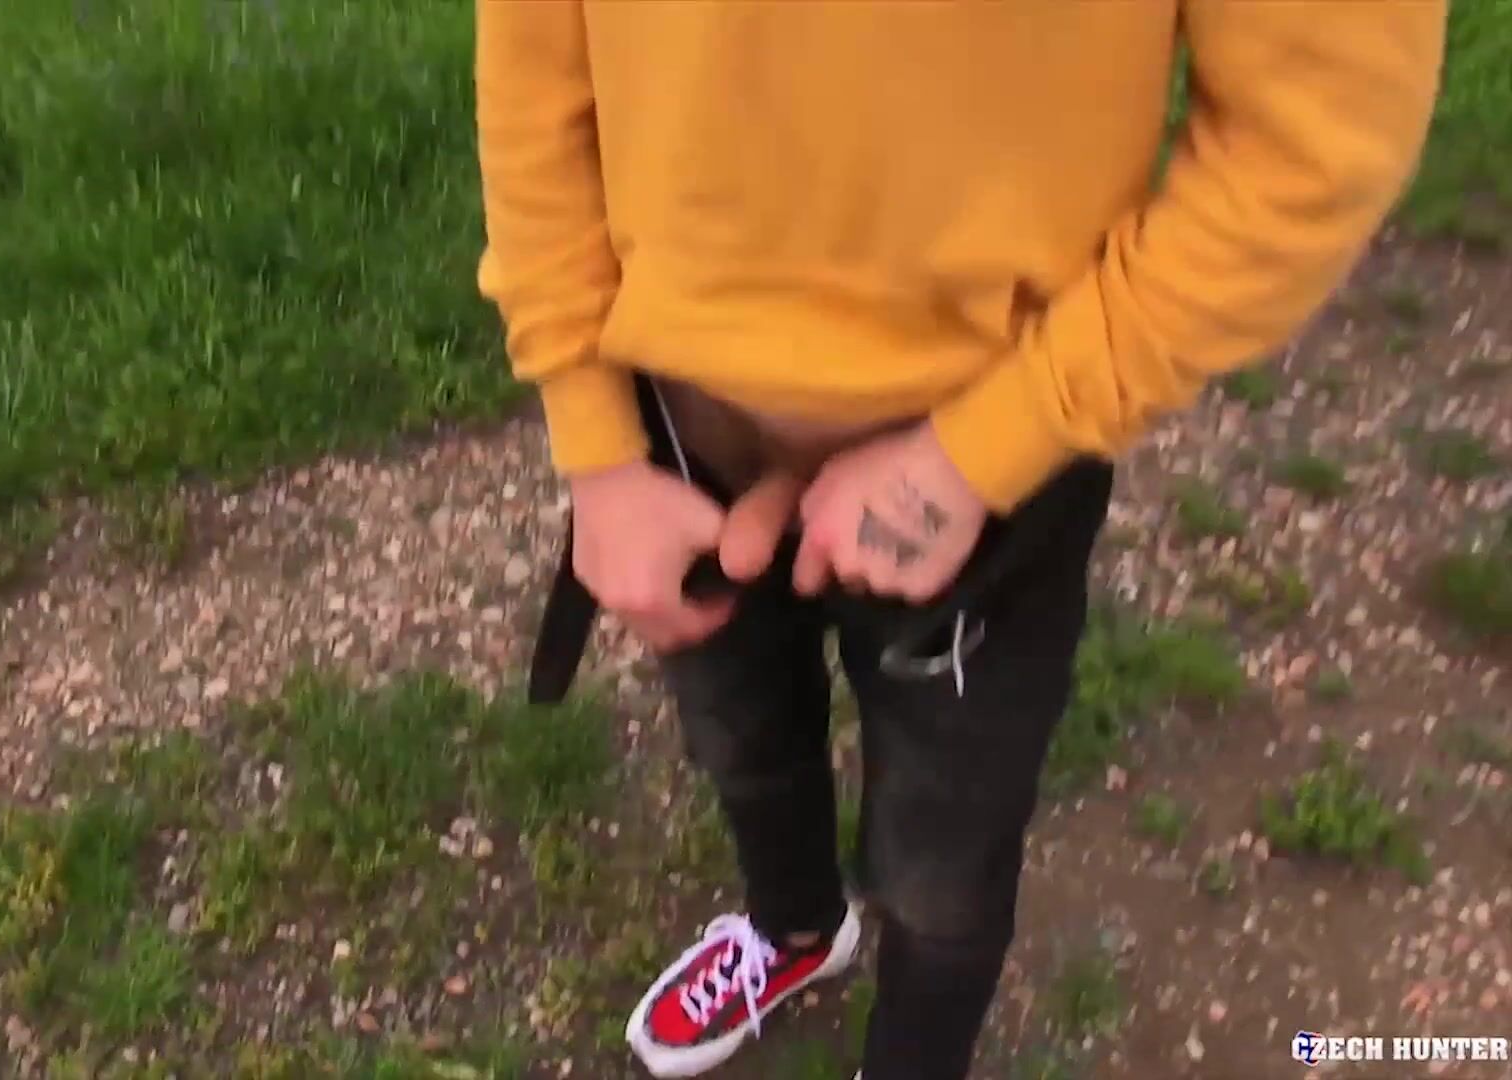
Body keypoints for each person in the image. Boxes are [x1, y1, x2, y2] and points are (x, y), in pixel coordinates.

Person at [472, 3, 1446, 1077]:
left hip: (985, 461)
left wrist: (990, 446)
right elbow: (533, 70)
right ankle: (798, 931)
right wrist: (597, 448)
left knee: (946, 858)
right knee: (739, 736)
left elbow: (1316, 142)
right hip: (676, 433)